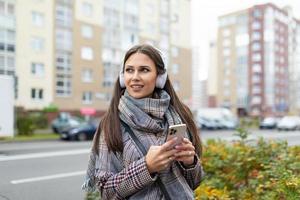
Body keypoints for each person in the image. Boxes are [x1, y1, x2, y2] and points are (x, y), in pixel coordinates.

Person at [82, 44, 204, 199]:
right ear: (122, 76)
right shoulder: (111, 123)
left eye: (144, 70)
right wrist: (146, 167)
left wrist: (190, 163)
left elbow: (195, 182)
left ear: (160, 77)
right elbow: (105, 191)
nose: (135, 77)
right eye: (129, 70)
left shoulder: (180, 114)